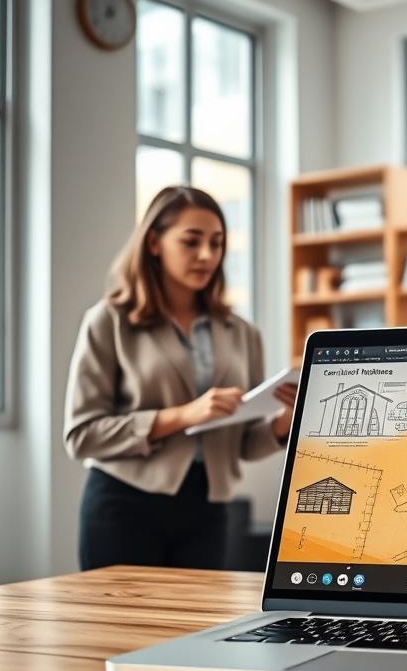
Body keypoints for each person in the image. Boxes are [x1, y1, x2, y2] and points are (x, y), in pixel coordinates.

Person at [64, 186, 296, 571]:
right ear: (154, 242)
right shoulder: (109, 321)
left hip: (207, 509)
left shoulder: (242, 333)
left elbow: (243, 445)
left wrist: (281, 424)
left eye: (217, 243)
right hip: (124, 505)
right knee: (122, 632)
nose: (207, 255)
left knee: (197, 630)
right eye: (191, 242)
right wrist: (184, 416)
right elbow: (81, 435)